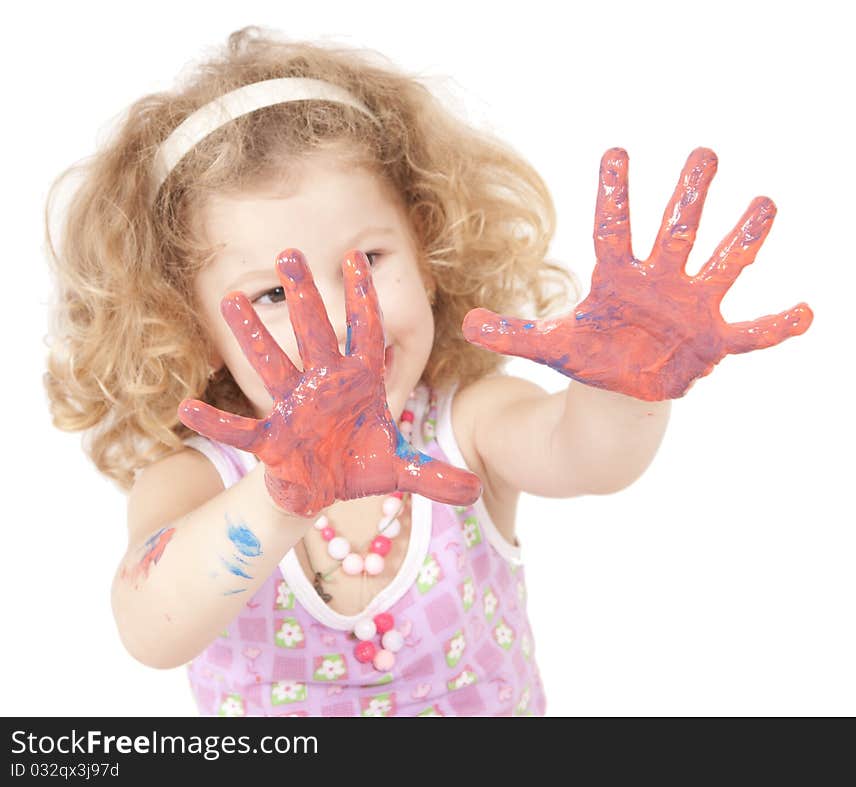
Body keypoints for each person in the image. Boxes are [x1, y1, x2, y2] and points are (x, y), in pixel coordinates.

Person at [43, 26, 812, 717]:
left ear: (429, 255)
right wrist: (282, 494)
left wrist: (629, 381)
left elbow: (590, 455)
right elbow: (150, 627)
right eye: (275, 293)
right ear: (198, 329)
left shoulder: (466, 424)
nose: (342, 318)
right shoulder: (198, 479)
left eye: (367, 260)